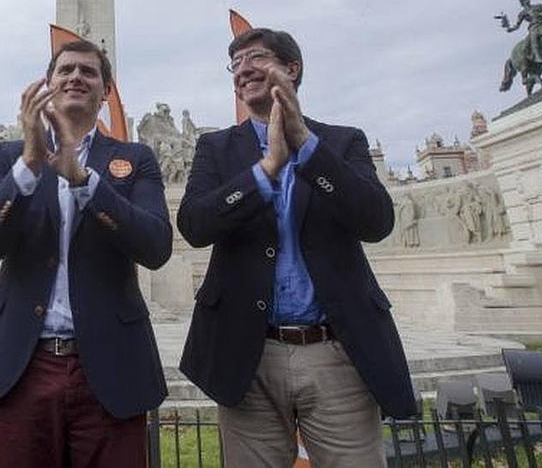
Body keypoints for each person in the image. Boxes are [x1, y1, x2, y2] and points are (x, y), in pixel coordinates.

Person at [177, 28, 417, 468]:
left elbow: (376, 221)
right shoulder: (216, 148)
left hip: (336, 351)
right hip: (246, 354)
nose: (243, 69)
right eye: (236, 62)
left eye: (256, 57)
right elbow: (194, 224)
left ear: (292, 69)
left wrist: (305, 145)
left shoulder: (343, 143)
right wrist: (264, 172)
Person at [0, 39, 172, 468]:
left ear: (106, 90)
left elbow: (155, 247)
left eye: (89, 71)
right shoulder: (7, 157)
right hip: (24, 365)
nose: (76, 77)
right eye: (66, 70)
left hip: (110, 366)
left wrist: (84, 182)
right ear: (48, 84)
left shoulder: (135, 158)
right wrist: (28, 164)